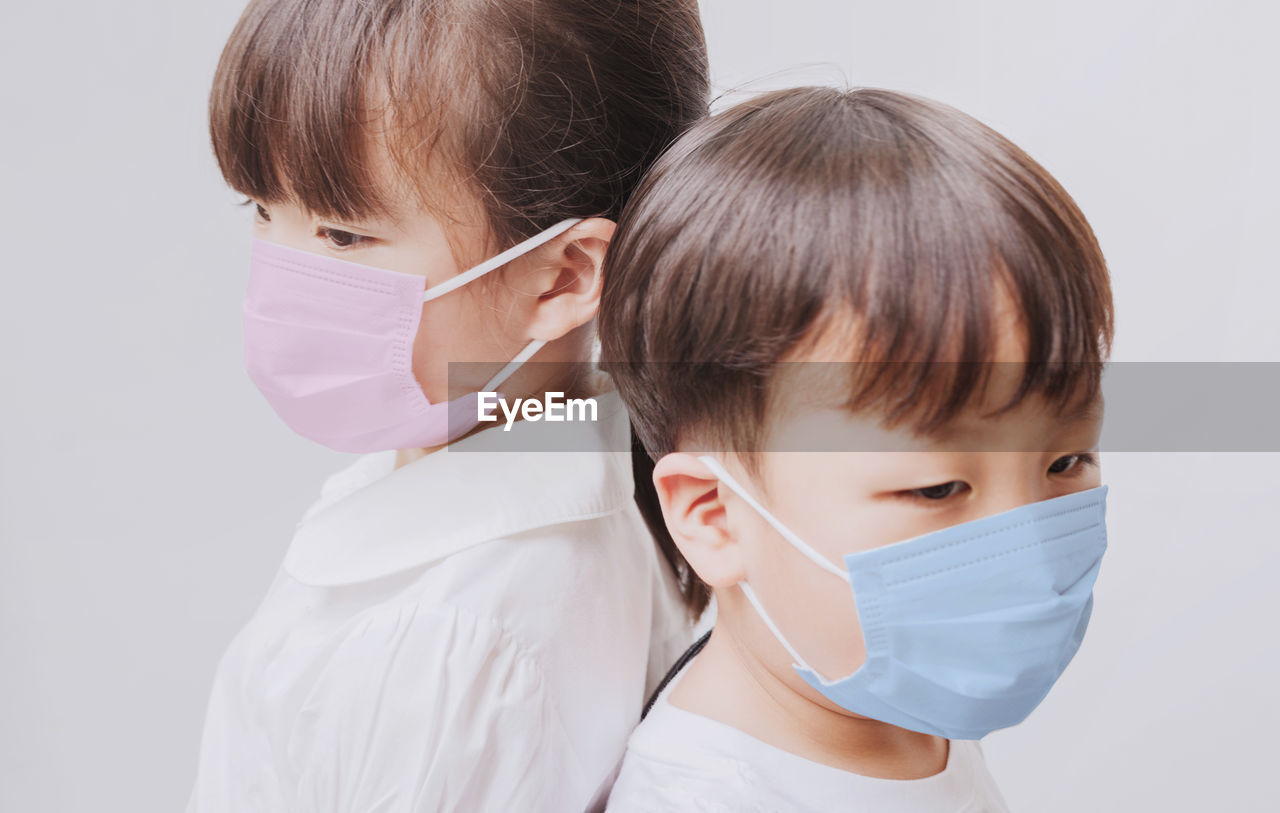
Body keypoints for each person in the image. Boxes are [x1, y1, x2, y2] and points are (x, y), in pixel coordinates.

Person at [187, 2, 709, 810]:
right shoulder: (556, 479)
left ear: (565, 275)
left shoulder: (457, 637)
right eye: (261, 208)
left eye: (343, 235)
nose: (279, 274)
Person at [599, 86, 1114, 811]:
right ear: (716, 514)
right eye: (937, 488)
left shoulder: (906, 707)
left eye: (1066, 461)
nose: (1025, 549)